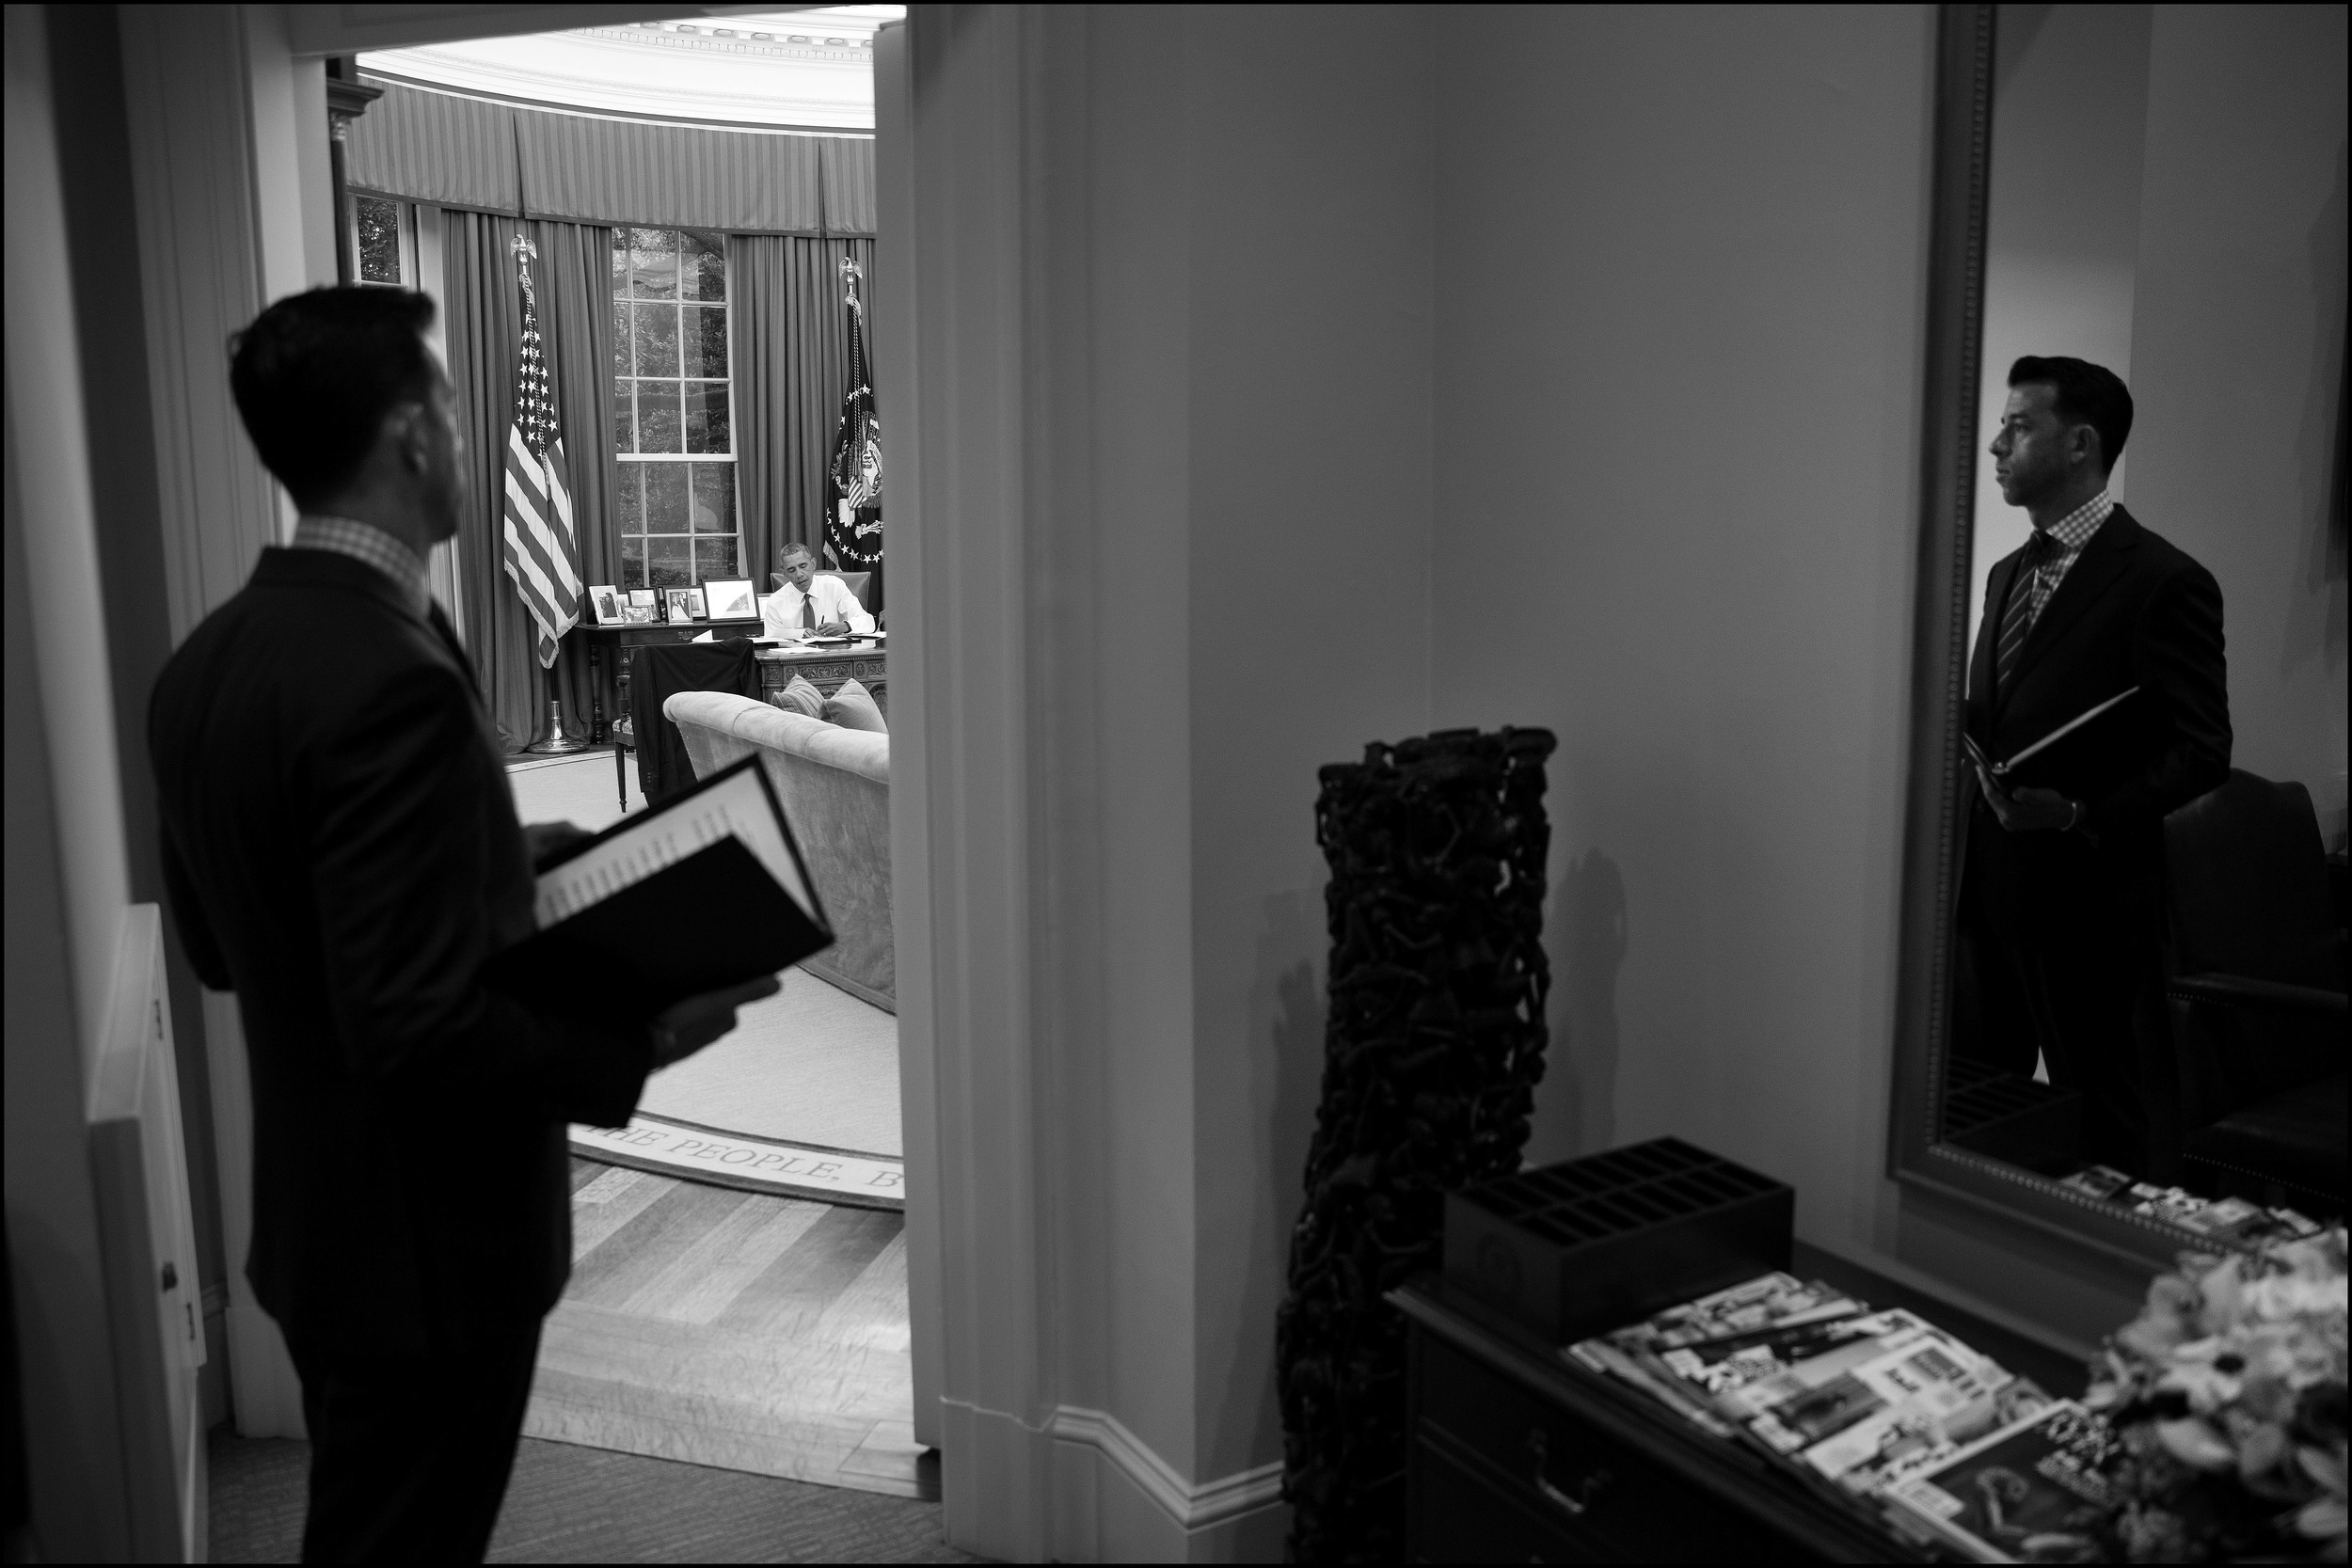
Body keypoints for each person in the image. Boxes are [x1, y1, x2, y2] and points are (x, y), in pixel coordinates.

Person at [148, 288, 776, 1562]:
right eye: (442, 396)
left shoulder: (207, 662)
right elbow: (417, 1021)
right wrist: (643, 1032)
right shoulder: (387, 673)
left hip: (322, 1235)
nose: (460, 420)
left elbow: (230, 944)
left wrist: (496, 856)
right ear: (411, 436)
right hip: (426, 1262)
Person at [1955, 356, 2230, 1176]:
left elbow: (2203, 750)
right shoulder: (2007, 572)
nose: (1997, 445)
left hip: (2089, 905)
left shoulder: (2163, 580)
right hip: (1984, 895)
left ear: (2080, 444)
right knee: (1975, 1113)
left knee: (2104, 1123)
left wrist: (2079, 814)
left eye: (2018, 425)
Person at [761, 541, 874, 639]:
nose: (799, 574)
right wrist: (798, 633)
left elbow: (868, 622)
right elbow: (770, 635)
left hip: (834, 656)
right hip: (794, 659)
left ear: (813, 564)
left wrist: (845, 626)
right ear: (784, 574)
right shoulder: (776, 601)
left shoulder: (834, 586)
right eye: (791, 570)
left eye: (803, 566)